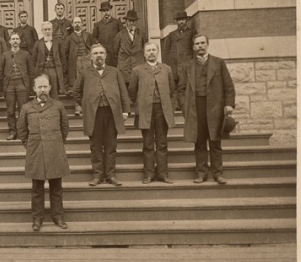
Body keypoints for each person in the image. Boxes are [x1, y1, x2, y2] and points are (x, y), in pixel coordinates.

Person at [178, 34, 235, 185]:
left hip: (215, 108)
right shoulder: (187, 66)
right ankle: (201, 173)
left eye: (203, 43)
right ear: (193, 47)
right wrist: (185, 108)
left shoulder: (219, 63)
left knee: (215, 142)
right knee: (199, 142)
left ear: (207, 44)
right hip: (196, 108)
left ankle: (218, 173)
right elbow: (181, 89)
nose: (200, 46)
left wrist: (229, 104)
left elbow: (229, 86)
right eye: (197, 44)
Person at [17, 74, 70, 232]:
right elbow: (22, 130)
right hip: (36, 150)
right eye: (39, 87)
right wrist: (31, 146)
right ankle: (37, 219)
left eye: (45, 86)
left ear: (50, 88)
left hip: (55, 150)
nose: (42, 90)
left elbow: (65, 128)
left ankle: (58, 217)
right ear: (34, 89)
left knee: (56, 187)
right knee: (37, 188)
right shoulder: (27, 108)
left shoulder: (58, 106)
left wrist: (56, 143)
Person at [73, 44, 130, 187]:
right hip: (94, 114)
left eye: (101, 53)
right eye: (95, 53)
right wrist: (87, 105)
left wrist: (124, 111)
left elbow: (123, 92)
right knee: (95, 145)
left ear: (105, 56)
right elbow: (76, 92)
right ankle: (98, 175)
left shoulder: (115, 72)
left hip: (112, 113)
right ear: (91, 57)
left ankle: (110, 175)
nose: (98, 55)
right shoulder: (85, 73)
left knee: (111, 145)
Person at [128, 42, 176, 184]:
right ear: (144, 53)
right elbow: (132, 91)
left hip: (162, 110)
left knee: (162, 143)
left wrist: (169, 107)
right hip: (146, 111)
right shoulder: (137, 70)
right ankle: (148, 174)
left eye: (153, 50)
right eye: (148, 51)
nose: (151, 53)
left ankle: (163, 174)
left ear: (158, 52)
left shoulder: (166, 69)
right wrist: (139, 106)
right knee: (148, 144)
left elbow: (172, 90)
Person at [0, 33, 33, 140]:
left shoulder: (26, 54)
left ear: (20, 41)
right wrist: (5, 81)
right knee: (10, 110)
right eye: (13, 39)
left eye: (17, 39)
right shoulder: (5, 55)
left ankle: (23, 132)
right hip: (9, 85)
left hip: (22, 84)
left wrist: (29, 86)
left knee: (23, 109)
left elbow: (31, 72)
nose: (15, 41)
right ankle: (12, 132)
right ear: (9, 41)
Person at [163, 11, 195, 107]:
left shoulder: (192, 33)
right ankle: (176, 105)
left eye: (183, 19)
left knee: (186, 84)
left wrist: (192, 62)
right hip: (174, 64)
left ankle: (186, 105)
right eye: (179, 20)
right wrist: (167, 63)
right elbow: (166, 50)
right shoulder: (172, 34)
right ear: (177, 22)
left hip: (186, 62)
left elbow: (194, 49)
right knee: (174, 85)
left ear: (187, 20)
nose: (181, 22)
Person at [64, 16, 94, 115]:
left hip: (87, 61)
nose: (77, 24)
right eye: (75, 22)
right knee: (77, 85)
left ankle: (88, 107)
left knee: (88, 83)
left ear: (82, 24)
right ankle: (78, 108)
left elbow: (94, 46)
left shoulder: (88, 35)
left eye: (79, 22)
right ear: (72, 25)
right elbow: (65, 52)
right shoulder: (69, 38)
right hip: (75, 62)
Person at [32, 21, 67, 99]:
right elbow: (34, 60)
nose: (47, 31)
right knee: (43, 90)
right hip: (42, 70)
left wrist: (63, 70)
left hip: (54, 69)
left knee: (54, 91)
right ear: (42, 31)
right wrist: (36, 70)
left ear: (52, 30)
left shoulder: (58, 42)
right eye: (45, 30)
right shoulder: (37, 43)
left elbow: (63, 57)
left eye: (49, 29)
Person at [113, 9, 145, 88]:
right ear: (126, 21)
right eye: (130, 21)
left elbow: (144, 49)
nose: (132, 23)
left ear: (136, 22)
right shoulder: (119, 35)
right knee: (125, 91)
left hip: (138, 67)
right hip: (124, 69)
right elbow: (115, 53)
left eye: (134, 21)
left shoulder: (141, 34)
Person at [92, 1, 124, 67]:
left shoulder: (117, 22)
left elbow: (123, 36)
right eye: (104, 11)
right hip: (104, 52)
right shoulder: (98, 24)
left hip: (115, 52)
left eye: (107, 10)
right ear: (101, 12)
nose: (106, 13)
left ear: (110, 10)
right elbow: (94, 37)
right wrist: (98, 43)